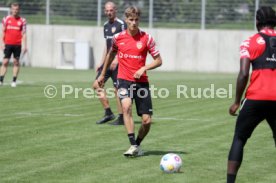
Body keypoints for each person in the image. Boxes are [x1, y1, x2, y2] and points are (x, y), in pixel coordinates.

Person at [98, 6, 162, 157]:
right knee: (126, 107)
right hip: (124, 80)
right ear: (126, 20)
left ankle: (137, 145)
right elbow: (110, 54)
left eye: (136, 20)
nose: (134, 22)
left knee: (146, 121)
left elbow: (159, 61)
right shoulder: (118, 38)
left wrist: (144, 68)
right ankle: (132, 144)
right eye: (131, 19)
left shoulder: (147, 38)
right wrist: (102, 74)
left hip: (141, 83)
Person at [227, 6, 276, 183]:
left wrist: (236, 102)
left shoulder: (249, 42)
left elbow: (243, 74)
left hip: (256, 98)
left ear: (257, 22)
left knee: (239, 138)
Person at [93, 1, 126, 125]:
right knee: (97, 85)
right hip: (108, 62)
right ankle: (108, 113)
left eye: (111, 10)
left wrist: (117, 59)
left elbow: (124, 43)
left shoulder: (122, 24)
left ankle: (122, 117)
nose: (108, 12)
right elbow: (107, 47)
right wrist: (101, 63)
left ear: (115, 10)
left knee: (117, 90)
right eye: (106, 10)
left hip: (119, 63)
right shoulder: (106, 25)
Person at [0, 2, 27, 87]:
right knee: (5, 62)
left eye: (17, 9)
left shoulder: (22, 21)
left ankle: (14, 81)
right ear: (11, 10)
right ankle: (1, 80)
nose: (15, 11)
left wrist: (25, 45)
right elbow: (3, 32)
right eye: (14, 9)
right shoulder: (6, 19)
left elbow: (24, 34)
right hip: (7, 44)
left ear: (19, 10)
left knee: (16, 62)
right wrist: (1, 43)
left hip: (17, 45)